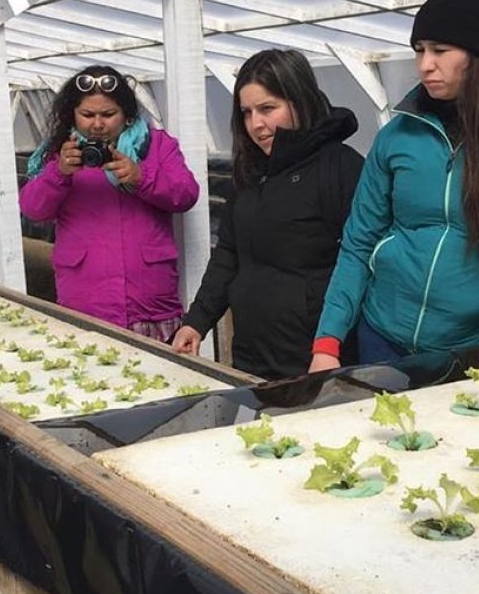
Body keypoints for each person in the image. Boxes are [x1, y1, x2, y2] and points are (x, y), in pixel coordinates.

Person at [310, 0, 479, 372]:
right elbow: (358, 242)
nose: (424, 65)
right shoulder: (396, 134)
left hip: (478, 348)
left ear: (478, 53)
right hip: (383, 337)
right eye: (419, 50)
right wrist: (328, 341)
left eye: (439, 50)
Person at [171, 50, 364, 379]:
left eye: (267, 109)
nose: (255, 124)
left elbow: (358, 262)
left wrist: (329, 347)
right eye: (246, 113)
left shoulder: (341, 168)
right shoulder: (251, 172)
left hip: (315, 359)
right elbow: (229, 254)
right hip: (251, 354)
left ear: (299, 101)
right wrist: (197, 321)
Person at [20, 66, 199, 342]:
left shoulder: (156, 146)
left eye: (108, 114)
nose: (97, 124)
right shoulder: (60, 153)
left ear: (127, 114)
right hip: (85, 303)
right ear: (72, 114)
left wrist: (141, 176)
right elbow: (33, 209)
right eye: (87, 115)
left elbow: (186, 194)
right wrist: (59, 173)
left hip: (150, 305)